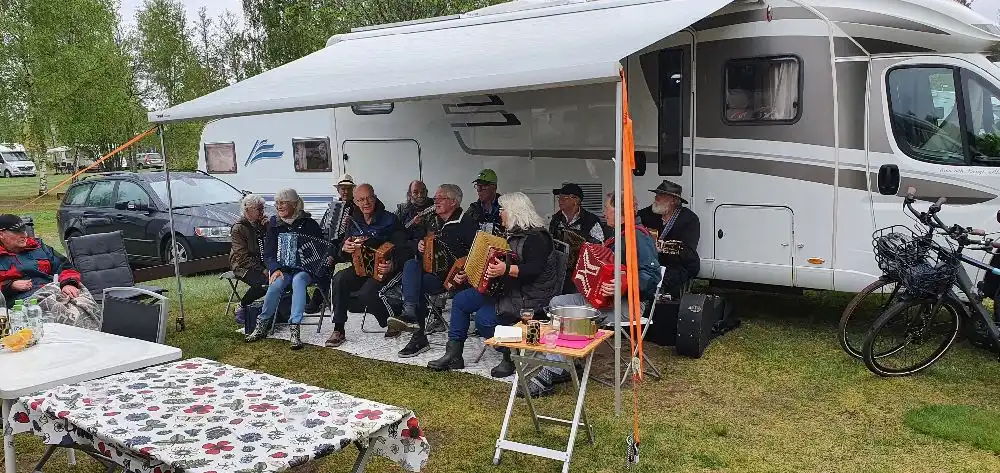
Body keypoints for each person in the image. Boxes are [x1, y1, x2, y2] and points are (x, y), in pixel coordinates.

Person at [522, 192, 661, 397]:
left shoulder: (638, 237)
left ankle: (550, 373)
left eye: (607, 208)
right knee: (557, 303)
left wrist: (621, 285)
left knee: (575, 315)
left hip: (629, 305)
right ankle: (570, 362)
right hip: (605, 302)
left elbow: (652, 276)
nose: (604, 212)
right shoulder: (616, 236)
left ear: (620, 212)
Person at [427, 192, 559, 378]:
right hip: (507, 289)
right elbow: (498, 262)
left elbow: (533, 270)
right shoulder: (512, 234)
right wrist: (472, 272)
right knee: (461, 300)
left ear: (514, 211)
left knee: (484, 320)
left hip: (528, 295)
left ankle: (511, 354)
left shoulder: (537, 238)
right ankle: (454, 354)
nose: (500, 213)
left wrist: (505, 270)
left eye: (503, 210)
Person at [388, 184, 472, 357]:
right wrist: (420, 245)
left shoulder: (467, 222)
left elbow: (476, 253)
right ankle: (410, 314)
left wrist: (465, 271)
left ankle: (417, 335)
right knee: (411, 266)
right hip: (432, 273)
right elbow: (419, 239)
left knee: (414, 285)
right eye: (435, 198)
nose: (435, 202)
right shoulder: (432, 220)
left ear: (453, 202)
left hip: (454, 279)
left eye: (440, 198)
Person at [325, 183, 405, 347]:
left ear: (375, 198)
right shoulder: (353, 221)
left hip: (384, 268)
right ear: (355, 202)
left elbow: (405, 246)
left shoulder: (390, 219)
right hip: (360, 267)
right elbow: (345, 250)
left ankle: (392, 320)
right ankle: (339, 329)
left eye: (369, 198)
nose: (365, 203)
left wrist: (393, 264)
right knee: (340, 278)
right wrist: (344, 248)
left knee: (366, 293)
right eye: (361, 200)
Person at [245, 188, 323, 349]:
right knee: (276, 284)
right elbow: (268, 254)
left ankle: (294, 328)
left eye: (283, 203)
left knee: (299, 281)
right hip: (283, 269)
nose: (279, 206)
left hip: (305, 270)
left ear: (294, 204)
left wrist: (311, 263)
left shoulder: (309, 224)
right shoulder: (274, 224)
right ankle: (262, 324)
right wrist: (275, 268)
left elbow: (321, 251)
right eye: (277, 203)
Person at [0, 214, 99, 330]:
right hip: (23, 302)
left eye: (24, 231)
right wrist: (10, 286)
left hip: (55, 289)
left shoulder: (38, 247)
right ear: (1, 234)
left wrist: (68, 283)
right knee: (60, 312)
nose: (24, 235)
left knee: (84, 303)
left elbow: (65, 267)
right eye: (17, 232)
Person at [307, 173, 358, 314]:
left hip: (350, 246)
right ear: (338, 190)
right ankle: (321, 298)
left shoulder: (358, 207)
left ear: (353, 190)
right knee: (323, 261)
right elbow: (325, 230)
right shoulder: (333, 207)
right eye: (342, 188)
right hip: (333, 245)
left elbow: (363, 229)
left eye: (348, 188)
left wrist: (352, 222)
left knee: (328, 262)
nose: (345, 191)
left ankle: (317, 300)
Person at [637, 179, 701, 292]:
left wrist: (664, 248)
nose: (656, 197)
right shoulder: (648, 214)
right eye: (656, 194)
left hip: (676, 265)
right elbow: (634, 220)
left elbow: (688, 251)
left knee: (663, 280)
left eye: (661, 195)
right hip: (651, 263)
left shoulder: (689, 219)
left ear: (674, 200)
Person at [548, 183, 604, 294]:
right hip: (560, 269)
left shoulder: (591, 220)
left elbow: (599, 247)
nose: (560, 200)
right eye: (560, 197)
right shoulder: (555, 219)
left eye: (564, 197)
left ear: (576, 200)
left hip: (582, 272)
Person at [230, 194, 269, 323]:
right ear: (248, 210)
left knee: (279, 277)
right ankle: (241, 306)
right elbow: (241, 257)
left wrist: (268, 228)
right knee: (263, 283)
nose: (262, 212)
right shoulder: (238, 228)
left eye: (263, 209)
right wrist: (262, 269)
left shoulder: (260, 224)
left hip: (261, 262)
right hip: (243, 265)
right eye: (259, 209)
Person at [461, 168, 502, 234]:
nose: (479, 189)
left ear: (494, 187)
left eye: (483, 186)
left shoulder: (505, 208)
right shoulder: (473, 208)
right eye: (477, 186)